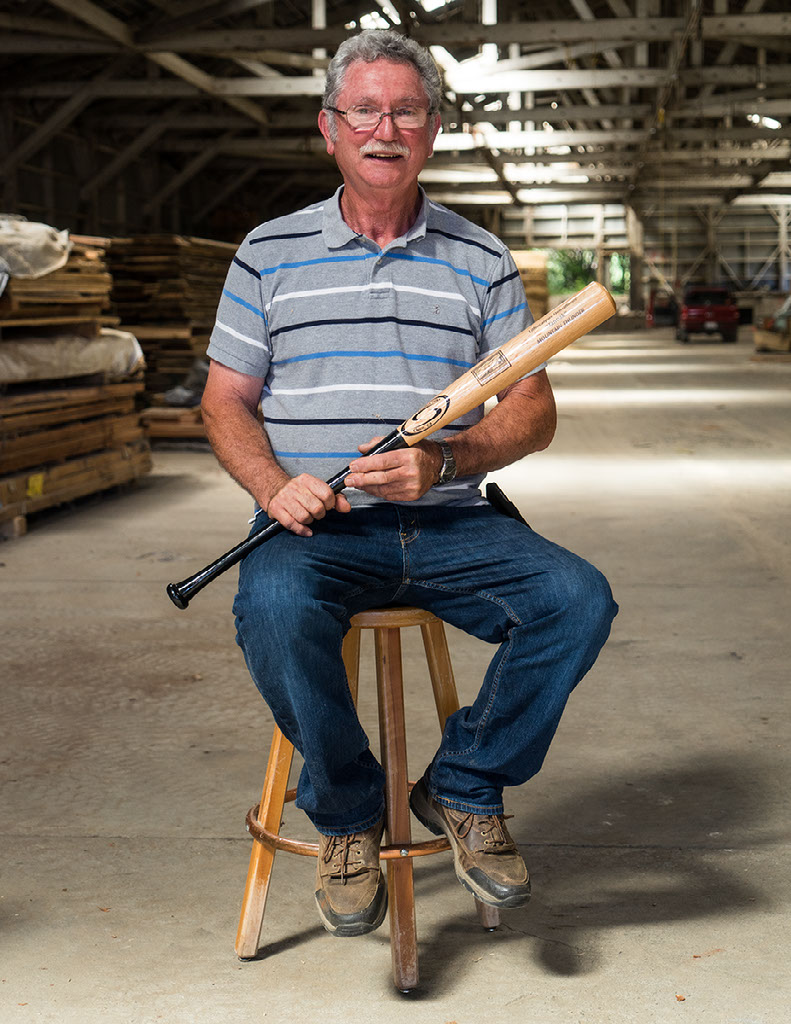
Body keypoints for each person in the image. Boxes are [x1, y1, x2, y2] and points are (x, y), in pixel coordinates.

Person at [201, 30, 618, 939]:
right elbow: (224, 402)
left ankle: (465, 784)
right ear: (329, 128)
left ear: (433, 129)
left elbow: (530, 413)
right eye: (364, 110)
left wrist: (449, 460)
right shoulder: (268, 252)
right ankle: (349, 816)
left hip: (452, 523)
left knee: (577, 599)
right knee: (272, 610)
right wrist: (274, 486)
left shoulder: (480, 258)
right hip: (319, 528)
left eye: (405, 111)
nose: (383, 127)